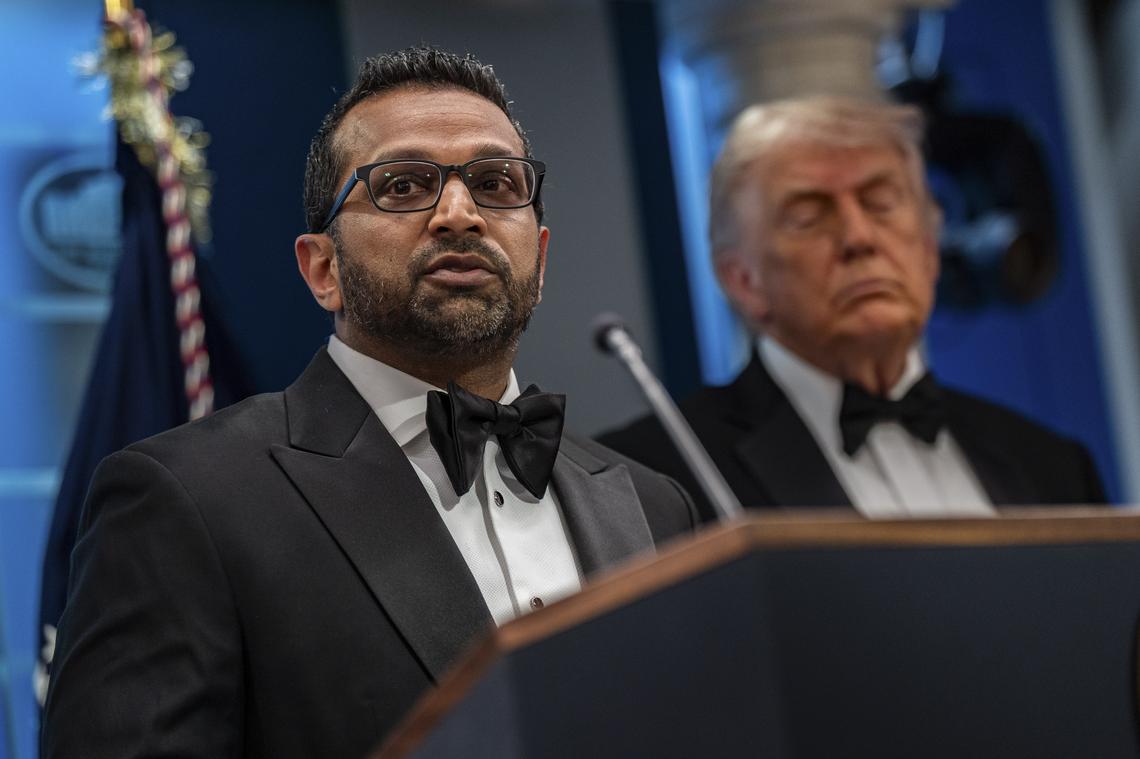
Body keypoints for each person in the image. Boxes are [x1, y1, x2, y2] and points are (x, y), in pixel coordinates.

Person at [42, 47, 695, 759]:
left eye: (496, 182)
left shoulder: (655, 505)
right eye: (404, 184)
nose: (459, 213)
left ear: (540, 260)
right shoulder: (187, 498)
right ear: (322, 269)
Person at [600, 96, 1105, 522]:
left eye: (882, 203)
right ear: (742, 281)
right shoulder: (647, 476)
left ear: (929, 247)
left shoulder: (1055, 468)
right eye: (808, 216)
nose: (859, 238)